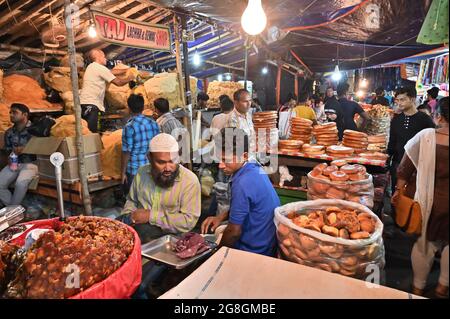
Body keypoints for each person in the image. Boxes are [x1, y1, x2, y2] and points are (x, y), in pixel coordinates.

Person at [392, 97, 449, 298]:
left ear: (439, 115)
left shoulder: (427, 136)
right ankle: (442, 287)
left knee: (424, 245)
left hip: (428, 203)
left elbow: (404, 169)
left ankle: (418, 288)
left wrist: (398, 192)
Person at [201, 128, 280, 256]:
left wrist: (217, 253)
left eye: (225, 160)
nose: (220, 165)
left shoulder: (243, 183)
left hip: (256, 250)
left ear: (243, 156)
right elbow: (244, 207)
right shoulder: (253, 166)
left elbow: (234, 232)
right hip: (268, 242)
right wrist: (220, 217)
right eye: (219, 159)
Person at [120, 133, 201, 243]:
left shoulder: (190, 181)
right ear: (150, 158)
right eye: (161, 162)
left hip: (173, 240)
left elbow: (188, 221)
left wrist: (151, 216)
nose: (168, 168)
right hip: (141, 234)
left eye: (173, 161)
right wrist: (129, 218)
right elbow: (132, 201)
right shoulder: (141, 173)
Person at [388, 86, 435, 192]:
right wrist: (387, 159)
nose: (399, 103)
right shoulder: (396, 120)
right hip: (398, 163)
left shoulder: (425, 120)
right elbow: (392, 142)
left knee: (414, 196)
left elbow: (432, 143)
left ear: (412, 99)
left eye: (402, 99)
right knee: (396, 195)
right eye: (397, 100)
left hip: (418, 166)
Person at [80, 49, 134, 132]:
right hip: (91, 104)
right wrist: (129, 78)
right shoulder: (99, 67)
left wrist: (126, 70)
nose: (106, 59)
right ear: (98, 56)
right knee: (90, 132)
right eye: (104, 57)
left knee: (85, 131)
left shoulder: (92, 67)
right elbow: (118, 83)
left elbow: (111, 72)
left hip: (85, 103)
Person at [0, 103, 37, 206]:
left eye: (15, 112)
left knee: (20, 183)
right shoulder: (9, 132)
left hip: (31, 163)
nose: (11, 115)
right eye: (10, 112)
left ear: (25, 115)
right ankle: (15, 210)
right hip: (13, 163)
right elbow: (7, 149)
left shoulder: (36, 130)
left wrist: (26, 149)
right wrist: (12, 152)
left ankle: (13, 212)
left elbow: (42, 148)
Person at [121, 94, 160, 193]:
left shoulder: (129, 126)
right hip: (151, 167)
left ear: (129, 108)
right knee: (149, 199)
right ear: (143, 107)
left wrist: (123, 173)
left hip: (135, 170)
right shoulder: (153, 123)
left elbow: (126, 152)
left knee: (134, 202)